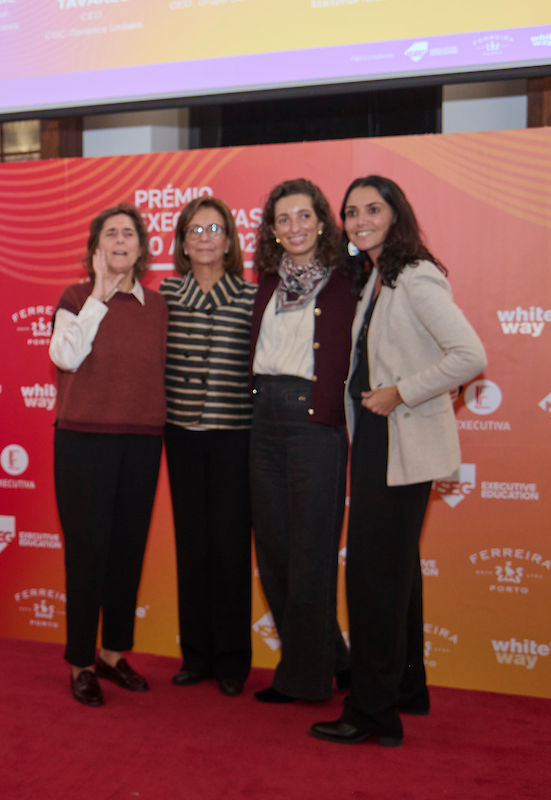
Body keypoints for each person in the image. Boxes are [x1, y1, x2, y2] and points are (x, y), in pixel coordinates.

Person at [312, 176, 486, 747]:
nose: (360, 220)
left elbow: (469, 354)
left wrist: (403, 390)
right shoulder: (376, 277)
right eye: (352, 212)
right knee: (397, 576)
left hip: (397, 442)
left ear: (396, 214)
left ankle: (372, 714)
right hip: (381, 446)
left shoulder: (414, 275)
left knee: (372, 582)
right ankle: (407, 689)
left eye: (373, 209)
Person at [49, 204, 168, 707]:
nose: (120, 239)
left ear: (142, 248)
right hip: (83, 442)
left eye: (129, 233)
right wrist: (98, 294)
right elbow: (65, 356)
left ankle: (114, 653)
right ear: (96, 247)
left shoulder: (159, 306)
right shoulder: (75, 297)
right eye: (110, 233)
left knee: (127, 553)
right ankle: (81, 660)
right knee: (87, 554)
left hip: (142, 441)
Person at [248, 178, 356, 704]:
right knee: (273, 548)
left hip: (315, 422)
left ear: (321, 221)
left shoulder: (348, 281)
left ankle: (305, 679)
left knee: (311, 550)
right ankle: (330, 658)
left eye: (304, 216)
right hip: (262, 416)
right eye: (283, 219)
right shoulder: (266, 282)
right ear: (272, 229)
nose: (294, 228)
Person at [159, 195, 256, 696]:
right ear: (181, 241)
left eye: (213, 228)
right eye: (193, 230)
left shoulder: (251, 295)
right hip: (180, 435)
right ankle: (195, 656)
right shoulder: (167, 293)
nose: (203, 237)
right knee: (192, 547)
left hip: (234, 435)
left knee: (232, 549)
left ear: (230, 239)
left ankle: (233, 660)